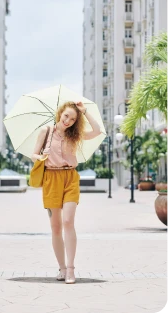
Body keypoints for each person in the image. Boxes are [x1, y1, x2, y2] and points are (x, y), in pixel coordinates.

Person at [31, 101, 102, 284]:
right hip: (51, 179)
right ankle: (61, 268)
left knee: (68, 221)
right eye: (66, 116)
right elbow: (33, 154)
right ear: (60, 114)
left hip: (70, 178)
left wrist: (84, 112)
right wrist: (41, 156)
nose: (68, 121)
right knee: (56, 227)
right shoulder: (45, 132)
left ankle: (71, 269)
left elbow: (96, 131)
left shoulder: (74, 135)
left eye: (72, 118)